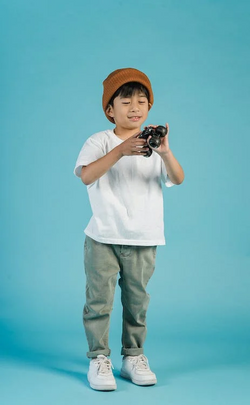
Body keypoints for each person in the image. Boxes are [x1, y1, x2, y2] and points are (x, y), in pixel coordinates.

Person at [74, 68, 184, 391]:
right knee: (99, 301)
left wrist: (164, 151)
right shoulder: (100, 141)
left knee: (137, 301)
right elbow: (86, 175)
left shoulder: (153, 145)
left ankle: (132, 356)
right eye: (126, 101)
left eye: (142, 100)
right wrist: (121, 150)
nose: (135, 107)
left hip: (143, 238)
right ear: (110, 109)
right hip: (103, 237)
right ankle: (98, 357)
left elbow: (177, 178)